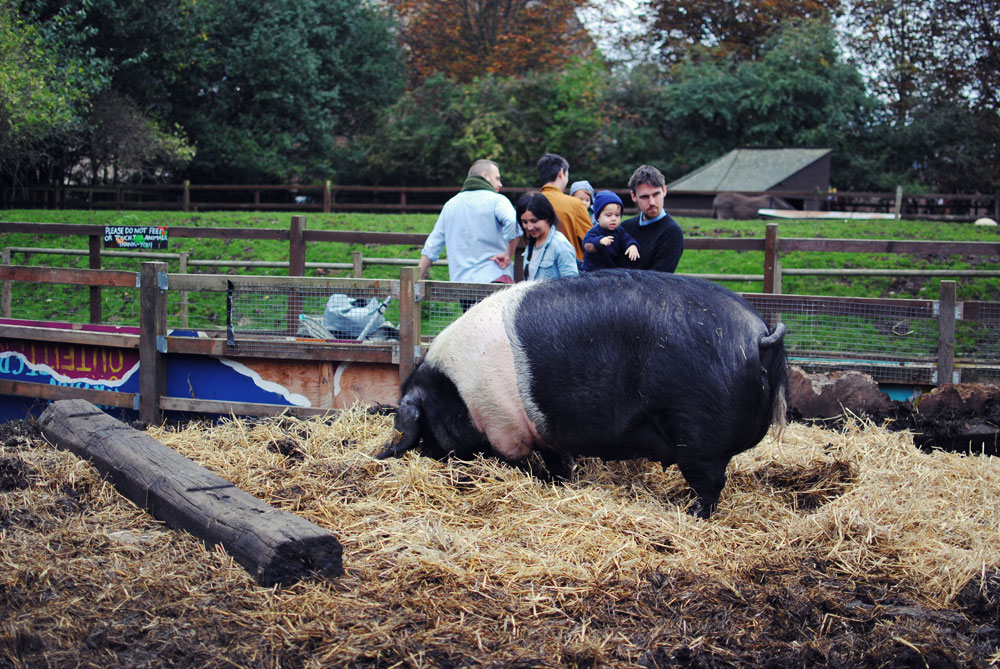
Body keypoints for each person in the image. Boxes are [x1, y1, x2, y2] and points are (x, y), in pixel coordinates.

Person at [418, 159, 520, 284]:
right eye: (497, 179)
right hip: (495, 279)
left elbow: (432, 246)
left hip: (463, 285)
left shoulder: (450, 205)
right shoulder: (498, 200)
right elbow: (512, 221)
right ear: (485, 176)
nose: (501, 184)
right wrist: (508, 254)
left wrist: (416, 278)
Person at [618, 164, 684, 273]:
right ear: (633, 196)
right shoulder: (625, 227)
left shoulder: (672, 232)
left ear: (664, 191)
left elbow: (659, 279)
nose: (652, 202)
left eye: (656, 194)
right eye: (645, 197)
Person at [537, 153, 591, 261]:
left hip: (537, 264)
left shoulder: (531, 203)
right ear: (561, 173)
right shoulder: (575, 204)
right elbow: (590, 239)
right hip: (570, 268)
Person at [516, 192, 579, 281]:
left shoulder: (560, 245)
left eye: (534, 221)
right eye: (525, 222)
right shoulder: (532, 243)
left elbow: (572, 285)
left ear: (547, 217)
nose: (529, 227)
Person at [582, 190, 639, 272]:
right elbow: (587, 245)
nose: (613, 218)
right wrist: (599, 241)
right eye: (608, 215)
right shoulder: (594, 232)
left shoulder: (619, 231)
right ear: (598, 217)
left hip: (613, 270)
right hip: (593, 271)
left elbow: (627, 239)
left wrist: (632, 245)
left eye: (617, 215)